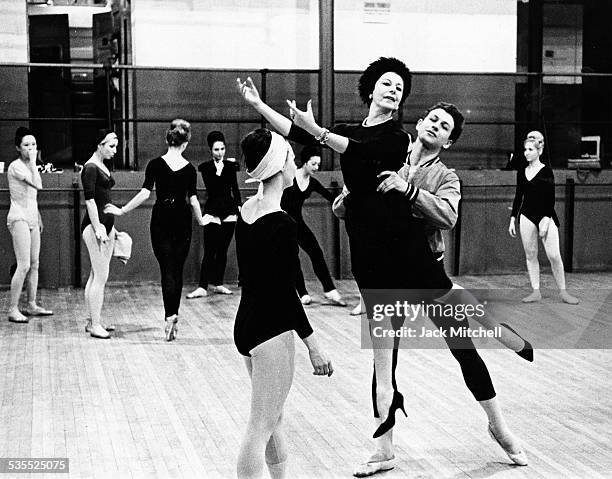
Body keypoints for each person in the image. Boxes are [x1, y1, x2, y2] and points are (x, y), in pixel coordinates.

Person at [238, 57, 453, 476]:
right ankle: (384, 449)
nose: (394, 90)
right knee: (383, 365)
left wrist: (317, 131)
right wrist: (260, 104)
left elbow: (350, 148)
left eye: (400, 88)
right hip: (368, 263)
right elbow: (295, 136)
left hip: (398, 257)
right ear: (371, 89)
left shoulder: (396, 139)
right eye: (387, 84)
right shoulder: (347, 131)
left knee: (439, 346)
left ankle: (487, 421)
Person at [375, 102, 529, 472]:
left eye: (444, 127)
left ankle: (500, 427)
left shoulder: (447, 176)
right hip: (388, 276)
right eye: (433, 120)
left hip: (427, 274)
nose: (436, 127)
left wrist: (407, 190)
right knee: (384, 364)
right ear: (419, 122)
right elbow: (344, 206)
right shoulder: (389, 154)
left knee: (464, 350)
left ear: (448, 141)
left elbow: (447, 215)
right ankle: (383, 448)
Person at [234, 128, 333, 479]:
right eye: (290, 156)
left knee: (272, 418)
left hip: (246, 325)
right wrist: (314, 345)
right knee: (260, 425)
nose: (295, 162)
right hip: (271, 331)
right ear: (279, 164)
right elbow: (286, 294)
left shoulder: (247, 210)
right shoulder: (282, 224)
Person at [105, 119, 206, 341]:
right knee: (177, 271)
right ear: (186, 142)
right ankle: (173, 316)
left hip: (161, 220)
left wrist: (122, 210)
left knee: (167, 270)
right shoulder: (190, 169)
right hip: (182, 221)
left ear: (167, 139)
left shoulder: (155, 164)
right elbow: (193, 200)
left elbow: (144, 193)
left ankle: (169, 315)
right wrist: (201, 221)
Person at [509, 132, 579, 304]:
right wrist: (512, 218)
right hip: (526, 215)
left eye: (530, 149)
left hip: (545, 214)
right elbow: (519, 196)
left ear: (539, 151)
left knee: (554, 255)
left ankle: (563, 292)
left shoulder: (546, 171)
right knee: (530, 254)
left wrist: (546, 221)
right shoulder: (522, 171)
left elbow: (550, 198)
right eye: (525, 149)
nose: (526, 153)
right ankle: (536, 291)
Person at [281, 145, 345, 306]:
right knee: (292, 258)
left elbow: (331, 198)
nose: (317, 168)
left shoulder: (313, 182)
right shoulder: (289, 177)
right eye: (314, 164)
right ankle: (302, 293)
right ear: (305, 162)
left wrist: (346, 197)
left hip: (298, 224)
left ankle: (330, 290)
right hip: (282, 224)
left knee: (316, 252)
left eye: (318, 164)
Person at [6, 127, 53, 323]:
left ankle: (32, 304)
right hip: (19, 218)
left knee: (35, 264)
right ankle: (13, 308)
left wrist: (39, 216)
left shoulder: (31, 166)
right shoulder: (16, 166)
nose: (31, 148)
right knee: (23, 265)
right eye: (26, 145)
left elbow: (33, 196)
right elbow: (38, 185)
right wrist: (34, 162)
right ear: (18, 147)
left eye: (33, 144)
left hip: (32, 216)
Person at [187, 131, 241, 298]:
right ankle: (202, 286)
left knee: (223, 250)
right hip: (213, 211)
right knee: (210, 251)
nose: (220, 152)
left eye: (223, 149)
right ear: (210, 150)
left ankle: (218, 283)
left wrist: (239, 207)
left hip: (229, 211)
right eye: (216, 149)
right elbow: (214, 185)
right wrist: (226, 166)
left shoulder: (231, 167)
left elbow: (235, 189)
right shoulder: (205, 168)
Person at [80, 129, 119, 338]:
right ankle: (95, 324)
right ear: (99, 145)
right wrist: (98, 228)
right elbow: (90, 200)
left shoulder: (102, 165)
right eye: (111, 146)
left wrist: (111, 228)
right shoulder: (90, 168)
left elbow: (104, 199)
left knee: (96, 275)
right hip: (96, 228)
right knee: (100, 277)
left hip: (105, 227)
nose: (115, 150)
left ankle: (93, 320)